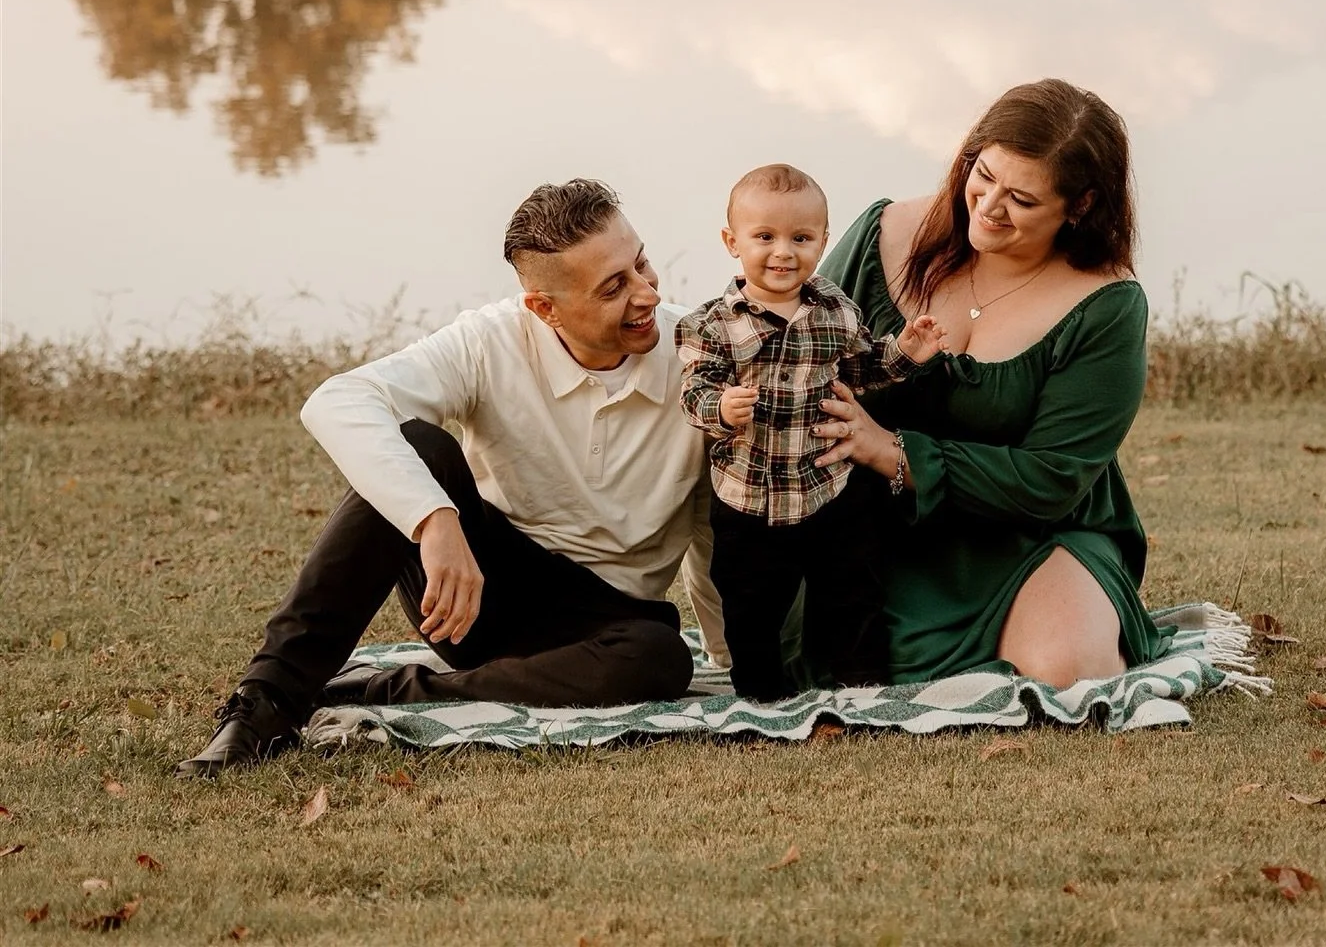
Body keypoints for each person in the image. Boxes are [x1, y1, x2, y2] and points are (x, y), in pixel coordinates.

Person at [175, 179, 725, 778]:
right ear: (545, 308)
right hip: (475, 596)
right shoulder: (488, 342)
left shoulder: (701, 357)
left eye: (641, 262)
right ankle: (266, 704)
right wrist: (435, 521)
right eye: (613, 287)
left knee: (660, 659)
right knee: (418, 444)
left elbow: (713, 522)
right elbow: (339, 400)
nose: (646, 292)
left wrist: (730, 656)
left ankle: (393, 691)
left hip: (610, 628)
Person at [809, 79, 1165, 690]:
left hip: (1029, 531)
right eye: (984, 174)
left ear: (1078, 206)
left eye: (1022, 200)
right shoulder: (886, 232)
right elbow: (803, 358)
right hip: (868, 524)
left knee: (1072, 671)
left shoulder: (1106, 303)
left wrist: (893, 452)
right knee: (811, 659)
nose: (989, 206)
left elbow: (1052, 478)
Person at [678, 164, 946, 698]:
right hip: (748, 495)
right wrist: (720, 406)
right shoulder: (712, 323)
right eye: (765, 237)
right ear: (733, 242)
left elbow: (863, 370)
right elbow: (693, 392)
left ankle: (861, 686)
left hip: (828, 486)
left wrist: (907, 353)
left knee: (851, 591)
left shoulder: (836, 312)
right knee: (749, 603)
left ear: (823, 241)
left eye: (801, 238)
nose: (783, 252)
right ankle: (760, 697)